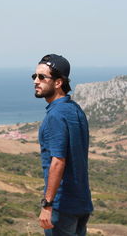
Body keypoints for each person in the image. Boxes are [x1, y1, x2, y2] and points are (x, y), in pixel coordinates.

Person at [33, 54, 93, 236]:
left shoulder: (56, 116)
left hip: (62, 207)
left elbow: (58, 161)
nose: (36, 81)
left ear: (58, 83)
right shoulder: (75, 110)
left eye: (42, 77)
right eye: (34, 76)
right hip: (81, 203)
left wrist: (48, 204)